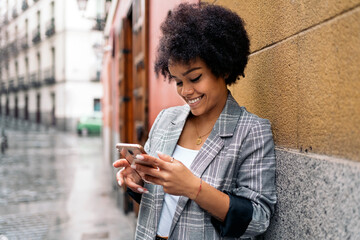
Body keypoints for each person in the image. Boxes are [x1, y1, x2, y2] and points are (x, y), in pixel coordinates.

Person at [113, 3, 276, 240]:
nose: (186, 91)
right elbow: (159, 199)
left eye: (195, 78)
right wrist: (135, 180)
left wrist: (193, 187)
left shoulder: (251, 131)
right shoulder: (165, 119)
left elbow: (258, 219)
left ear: (224, 68)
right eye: (179, 81)